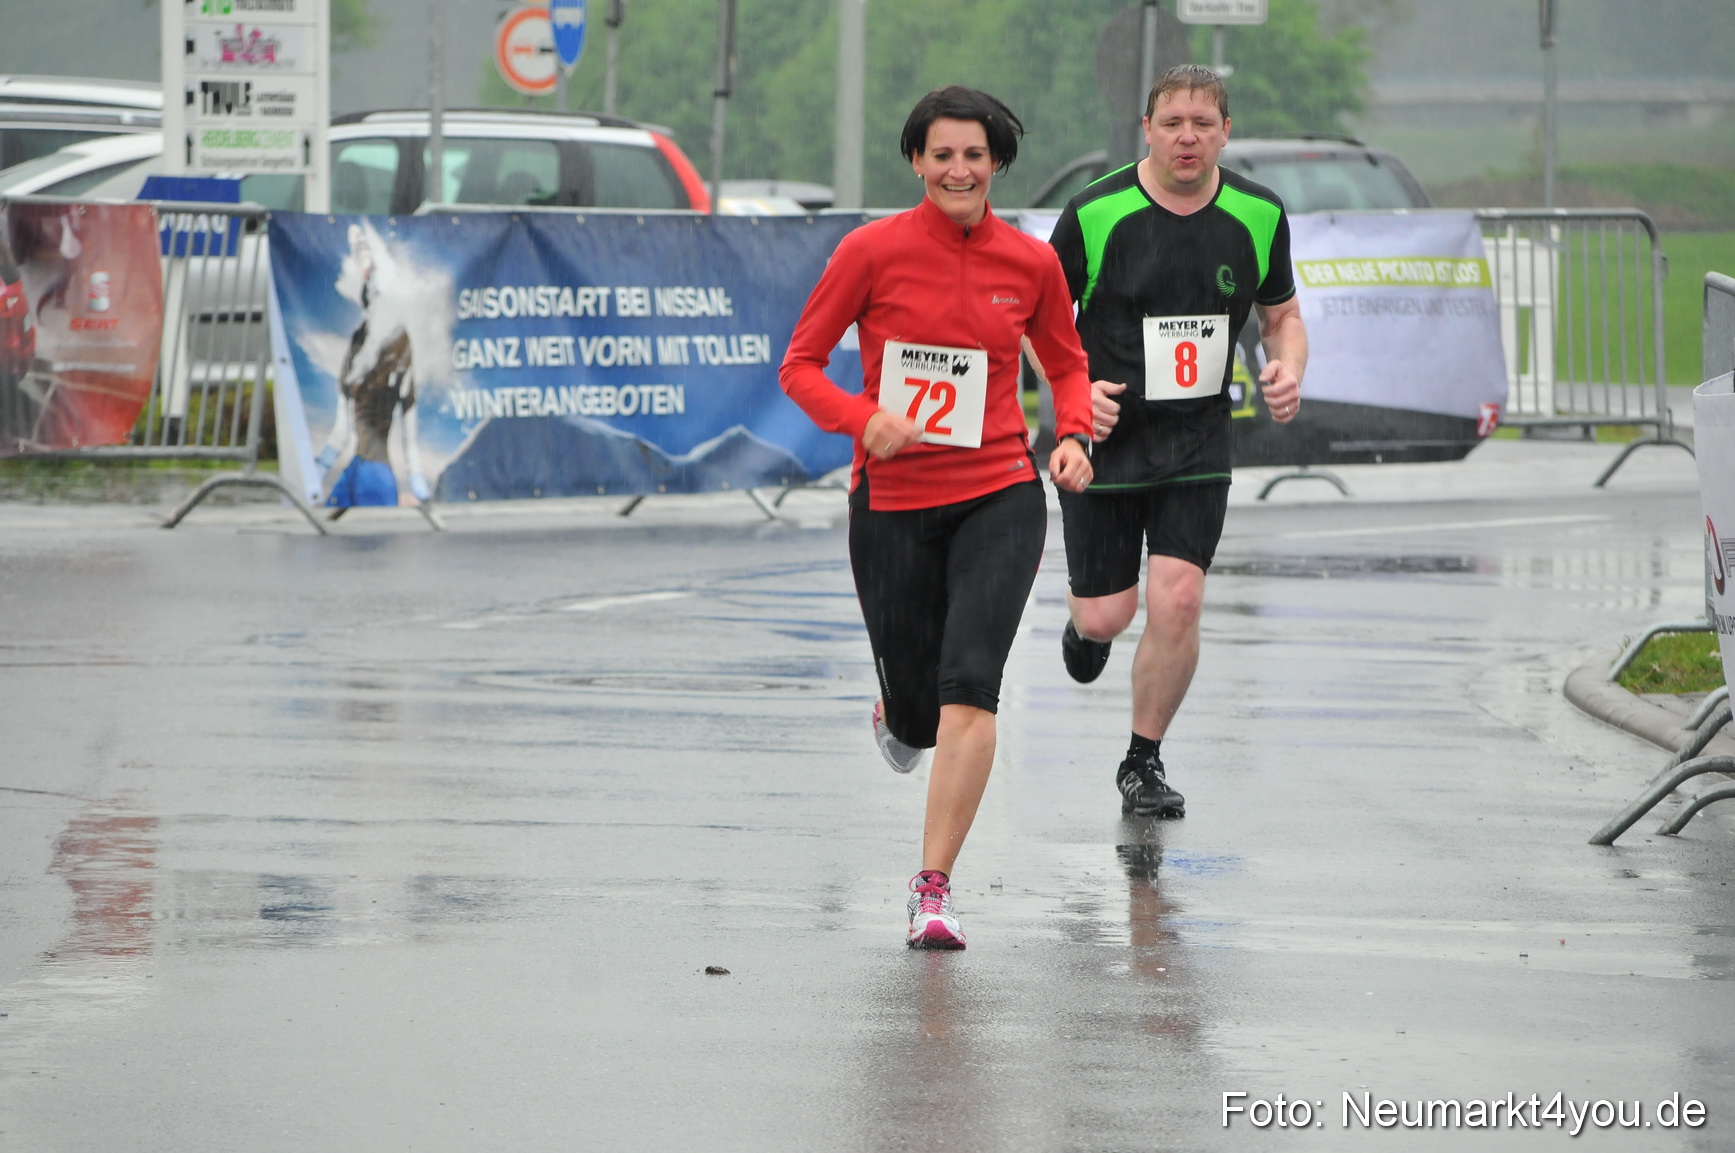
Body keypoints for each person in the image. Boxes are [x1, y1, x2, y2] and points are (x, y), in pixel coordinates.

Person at [780, 86, 1099, 950]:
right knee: (921, 714)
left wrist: (1070, 435)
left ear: (997, 162)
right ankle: (896, 712)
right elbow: (800, 366)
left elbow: (1067, 368)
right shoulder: (869, 252)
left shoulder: (1031, 265)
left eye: (974, 154)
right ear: (916, 161)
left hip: (998, 491)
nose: (959, 169)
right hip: (889, 502)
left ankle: (933, 887)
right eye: (942, 154)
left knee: (972, 684)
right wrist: (862, 419)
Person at [1045, 64, 1306, 818]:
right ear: (1146, 131)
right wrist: (1071, 391)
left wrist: (1285, 367)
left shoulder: (1258, 213)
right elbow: (1039, 318)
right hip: (1106, 436)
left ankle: (1142, 760)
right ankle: (1084, 629)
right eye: (1171, 123)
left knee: (1179, 599)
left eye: (1202, 123)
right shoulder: (1095, 213)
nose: (1186, 137)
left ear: (1225, 131)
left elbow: (1281, 315)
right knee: (1107, 615)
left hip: (1196, 438)